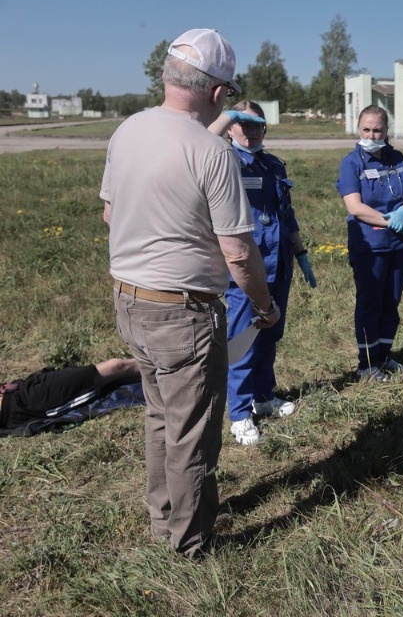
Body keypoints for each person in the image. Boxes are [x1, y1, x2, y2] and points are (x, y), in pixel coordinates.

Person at [100, 28, 280, 558]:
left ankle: (163, 521)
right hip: (183, 315)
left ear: (167, 76)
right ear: (219, 93)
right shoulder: (213, 153)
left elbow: (111, 212)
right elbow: (240, 254)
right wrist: (265, 308)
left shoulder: (127, 131)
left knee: (160, 416)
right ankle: (192, 545)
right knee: (193, 434)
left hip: (130, 301)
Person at [208, 101, 317, 446]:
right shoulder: (223, 162)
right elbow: (196, 145)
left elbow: (287, 214)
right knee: (243, 340)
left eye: (258, 124)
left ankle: (263, 396)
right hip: (246, 267)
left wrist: (300, 254)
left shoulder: (273, 165)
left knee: (270, 335)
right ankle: (239, 413)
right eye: (244, 124)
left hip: (279, 262)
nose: (251, 131)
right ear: (229, 128)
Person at [335, 105, 403, 381]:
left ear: (386, 131)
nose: (371, 135)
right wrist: (390, 221)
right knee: (370, 303)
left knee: (391, 301)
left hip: (400, 243)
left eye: (377, 130)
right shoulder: (352, 163)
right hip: (370, 246)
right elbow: (355, 207)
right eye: (366, 129)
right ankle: (367, 364)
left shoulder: (397, 157)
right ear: (358, 129)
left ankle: (385, 356)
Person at [1, 358, 140, 433]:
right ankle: (159, 366)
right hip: (23, 405)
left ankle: (156, 364)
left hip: (17, 389)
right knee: (115, 366)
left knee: (115, 369)